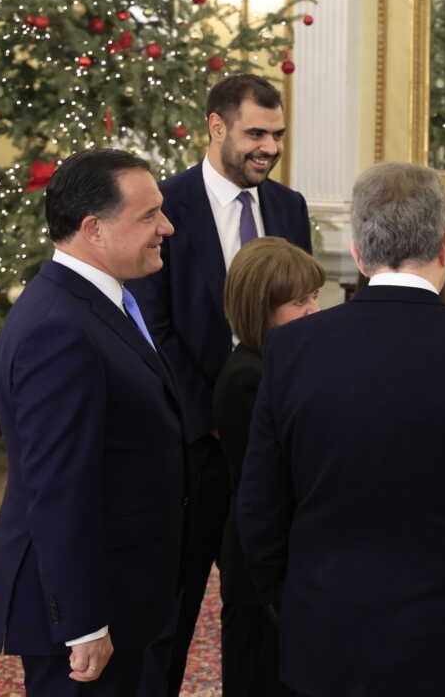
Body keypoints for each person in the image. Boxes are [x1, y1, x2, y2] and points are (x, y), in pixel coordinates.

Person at [236, 162, 445, 696]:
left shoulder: (292, 348)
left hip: (325, 629)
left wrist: (285, 598)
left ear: (358, 252)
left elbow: (260, 502)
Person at [130, 74, 312, 696]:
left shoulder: (289, 207)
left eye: (277, 134)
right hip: (196, 445)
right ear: (216, 127)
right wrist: (211, 416)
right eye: (256, 133)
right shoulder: (166, 204)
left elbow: (298, 319)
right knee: (172, 610)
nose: (269, 147)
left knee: (261, 609)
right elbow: (154, 324)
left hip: (274, 444)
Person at [0, 149, 184, 696]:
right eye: (149, 215)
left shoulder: (96, 301)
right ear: (93, 228)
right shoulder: (59, 328)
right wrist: (84, 623)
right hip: (82, 617)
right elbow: (59, 487)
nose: (166, 227)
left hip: (122, 590)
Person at [213, 237, 325, 696]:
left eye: (314, 296)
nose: (315, 310)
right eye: (300, 302)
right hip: (260, 562)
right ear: (261, 309)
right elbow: (268, 483)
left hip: (289, 555)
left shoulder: (283, 364)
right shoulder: (248, 376)